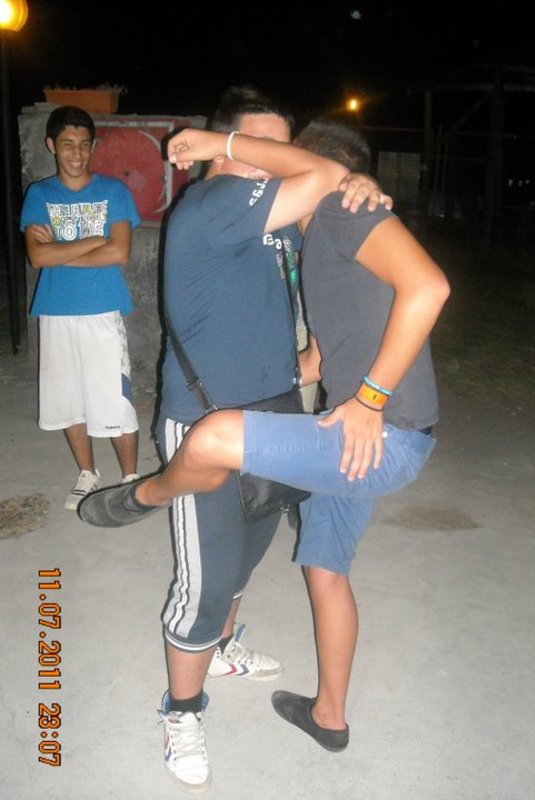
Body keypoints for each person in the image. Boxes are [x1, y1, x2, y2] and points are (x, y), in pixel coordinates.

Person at [79, 118, 450, 762]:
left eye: (277, 155)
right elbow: (320, 356)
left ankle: (148, 494)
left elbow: (430, 286)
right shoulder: (303, 232)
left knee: (214, 439)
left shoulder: (338, 213)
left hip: (376, 432)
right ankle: (328, 717)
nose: (266, 168)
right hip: (354, 431)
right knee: (324, 570)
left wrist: (370, 399)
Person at [20, 105, 141, 510]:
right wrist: (93, 241)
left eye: (84, 144)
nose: (76, 153)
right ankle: (88, 474)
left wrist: (59, 250)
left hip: (102, 310)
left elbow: (119, 252)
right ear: (51, 145)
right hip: (56, 311)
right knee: (68, 399)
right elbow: (37, 257)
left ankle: (130, 480)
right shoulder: (39, 194)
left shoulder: (113, 191)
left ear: (93, 147)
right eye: (68, 144)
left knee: (115, 400)